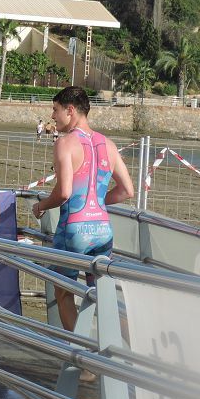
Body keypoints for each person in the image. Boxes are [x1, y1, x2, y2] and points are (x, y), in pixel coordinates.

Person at [31, 86, 134, 331]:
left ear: (70, 110)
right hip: (102, 229)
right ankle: (131, 351)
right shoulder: (108, 144)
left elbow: (64, 192)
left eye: (55, 110)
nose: (53, 117)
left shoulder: (65, 143)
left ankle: (83, 359)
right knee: (103, 295)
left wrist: (42, 205)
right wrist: (96, 202)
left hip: (74, 230)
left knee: (63, 292)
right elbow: (127, 191)